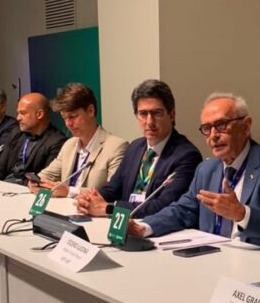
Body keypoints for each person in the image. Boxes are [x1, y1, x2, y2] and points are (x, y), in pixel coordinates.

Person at [130, 93, 260, 258]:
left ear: (246, 126)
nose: (213, 136)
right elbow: (183, 210)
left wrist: (243, 214)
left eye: (221, 125)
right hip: (214, 261)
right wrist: (144, 227)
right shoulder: (206, 169)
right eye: (206, 128)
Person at [76, 79, 202, 216]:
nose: (149, 122)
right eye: (143, 114)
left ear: (171, 115)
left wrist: (109, 208)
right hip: (125, 222)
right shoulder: (135, 147)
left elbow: (163, 205)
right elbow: (113, 188)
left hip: (153, 226)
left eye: (156, 113)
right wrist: (92, 199)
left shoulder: (187, 156)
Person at [31, 83, 128, 198]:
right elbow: (45, 176)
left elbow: (113, 193)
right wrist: (36, 183)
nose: (68, 124)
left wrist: (69, 191)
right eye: (64, 118)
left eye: (72, 116)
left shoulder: (116, 147)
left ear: (91, 111)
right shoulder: (69, 144)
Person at [0, 92, 66, 184]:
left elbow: (45, 179)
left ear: (39, 114)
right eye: (18, 113)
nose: (18, 118)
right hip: (5, 185)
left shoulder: (57, 141)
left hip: (27, 188)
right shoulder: (16, 132)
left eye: (23, 113)